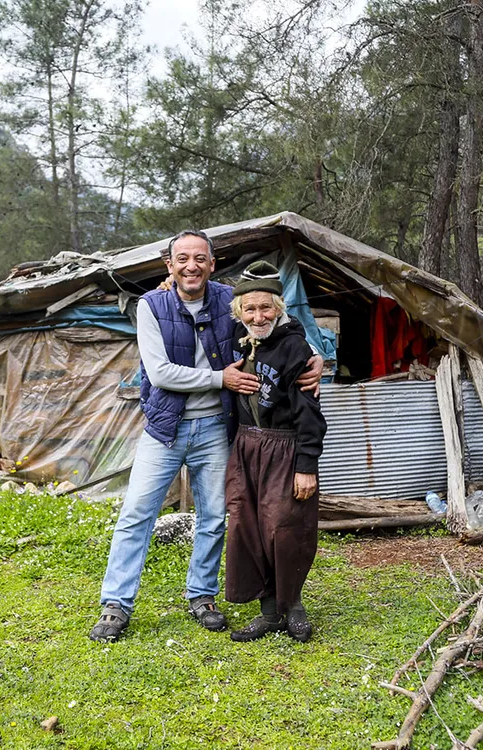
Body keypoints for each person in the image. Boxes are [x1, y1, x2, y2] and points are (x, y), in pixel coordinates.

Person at [90, 231, 322, 643]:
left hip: (216, 426)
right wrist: (221, 377)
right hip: (165, 428)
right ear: (169, 265)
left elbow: (273, 315)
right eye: (182, 259)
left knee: (215, 516)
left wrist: (312, 354)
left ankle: (202, 595)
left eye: (200, 258)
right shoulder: (151, 305)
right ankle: (116, 603)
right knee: (136, 514)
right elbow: (159, 372)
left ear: (213, 264)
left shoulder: (226, 299)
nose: (191, 266)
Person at [224, 261, 327, 643]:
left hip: (284, 448)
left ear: (279, 308)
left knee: (285, 528)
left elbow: (310, 414)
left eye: (266, 307)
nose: (258, 315)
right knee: (247, 527)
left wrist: (306, 465)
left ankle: (293, 605)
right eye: (249, 309)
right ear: (238, 313)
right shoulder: (240, 337)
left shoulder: (294, 348)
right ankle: (269, 612)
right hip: (246, 446)